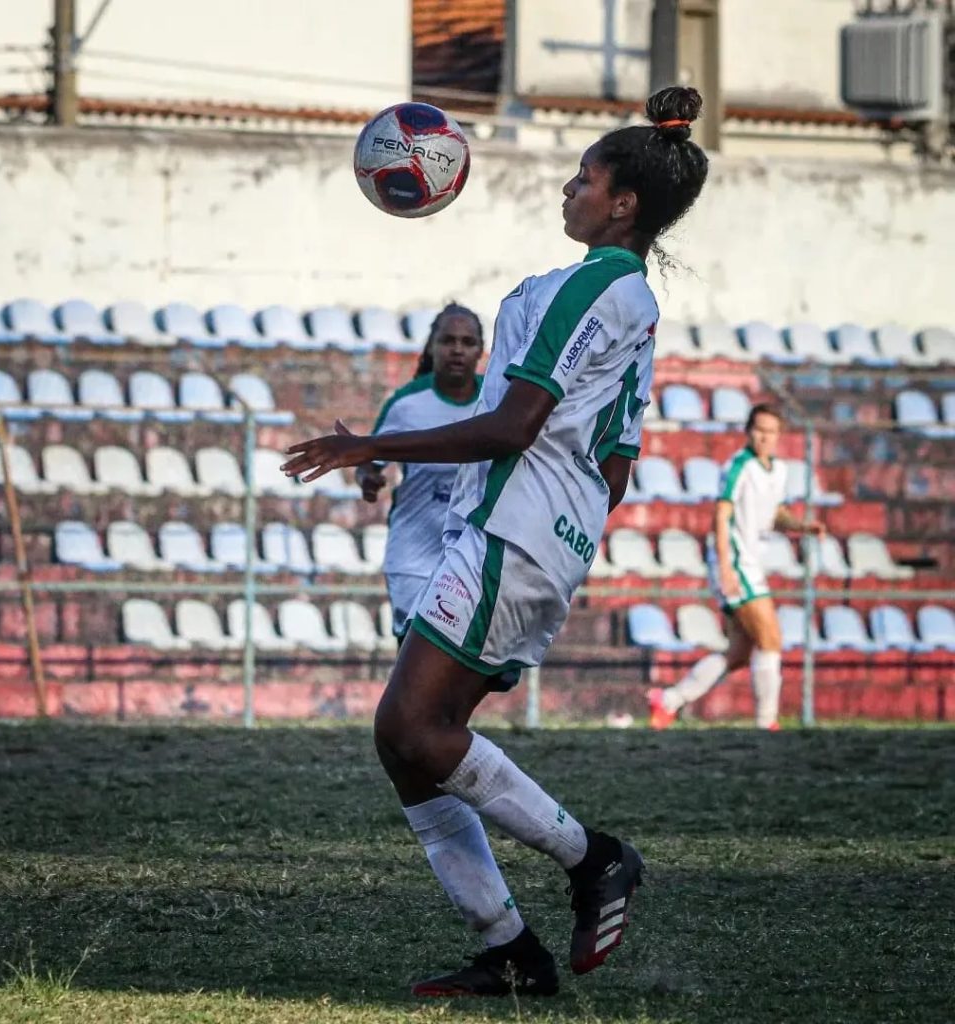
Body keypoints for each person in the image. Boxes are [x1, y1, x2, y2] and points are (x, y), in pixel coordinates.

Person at [283, 86, 709, 997]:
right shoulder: (634, 306)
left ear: (623, 202)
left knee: (410, 727)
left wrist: (372, 444)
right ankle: (508, 948)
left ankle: (592, 857)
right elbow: (619, 461)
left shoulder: (594, 285)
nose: (570, 187)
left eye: (584, 177)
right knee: (409, 742)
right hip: (532, 535)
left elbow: (514, 426)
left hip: (511, 530)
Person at [647, 404, 826, 730]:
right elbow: (722, 513)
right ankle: (766, 723)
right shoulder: (738, 466)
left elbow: (777, 515)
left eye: (770, 432)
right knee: (771, 639)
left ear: (778, 436)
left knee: (739, 654)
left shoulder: (778, 471)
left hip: (752, 562)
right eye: (759, 430)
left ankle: (669, 699)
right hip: (737, 564)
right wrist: (726, 567)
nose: (764, 437)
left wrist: (801, 527)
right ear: (748, 431)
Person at [357, 304, 485, 642]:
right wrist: (368, 480)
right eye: (448, 340)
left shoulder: (496, 401)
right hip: (414, 558)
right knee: (416, 658)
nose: (457, 349)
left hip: (472, 558)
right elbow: (370, 459)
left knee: (456, 672)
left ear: (480, 351)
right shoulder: (407, 404)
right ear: (431, 347)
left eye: (467, 342)